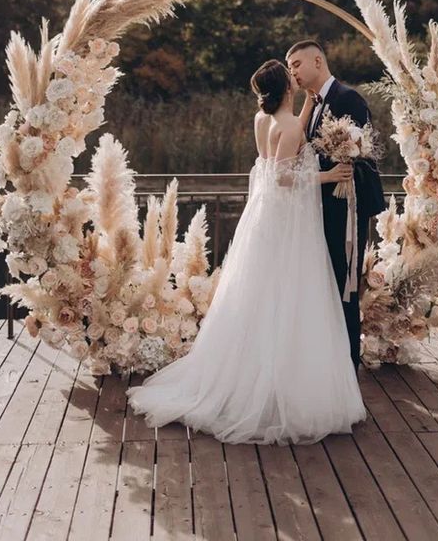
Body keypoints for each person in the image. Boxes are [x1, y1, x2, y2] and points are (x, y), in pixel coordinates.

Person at [126, 59, 366, 444]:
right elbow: (284, 177)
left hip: (265, 219)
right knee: (290, 292)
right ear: (286, 87)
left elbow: (273, 159)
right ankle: (278, 391)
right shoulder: (287, 127)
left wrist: (305, 106)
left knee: (260, 294)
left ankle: (251, 377)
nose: (296, 77)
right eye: (292, 77)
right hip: (289, 222)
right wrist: (326, 175)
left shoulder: (265, 121)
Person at [285, 40, 385, 369]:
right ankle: (329, 367)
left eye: (297, 64)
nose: (293, 72)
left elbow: (362, 152)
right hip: (322, 210)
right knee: (327, 287)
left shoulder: (348, 98)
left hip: (346, 210)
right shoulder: (313, 105)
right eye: (289, 67)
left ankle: (348, 367)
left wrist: (339, 172)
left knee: (346, 287)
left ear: (317, 60)